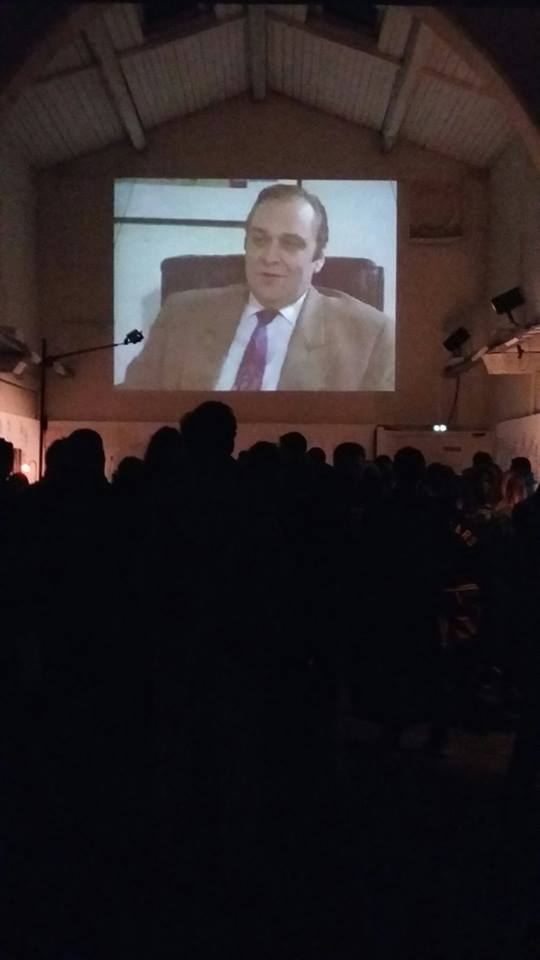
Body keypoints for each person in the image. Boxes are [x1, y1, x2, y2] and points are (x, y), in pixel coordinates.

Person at [123, 184, 394, 391]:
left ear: (319, 259)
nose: (269, 257)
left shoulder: (370, 337)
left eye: (290, 244)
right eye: (259, 240)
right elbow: (133, 403)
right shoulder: (181, 314)